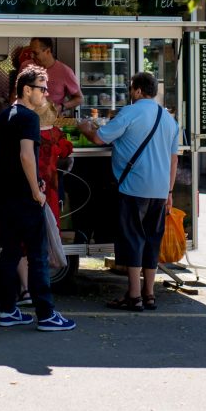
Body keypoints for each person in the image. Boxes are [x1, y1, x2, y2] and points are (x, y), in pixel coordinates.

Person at [77, 72, 178, 312]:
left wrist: (84, 128)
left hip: (134, 187)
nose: (130, 92)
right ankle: (149, 294)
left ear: (138, 91)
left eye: (131, 88)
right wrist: (170, 191)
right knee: (152, 240)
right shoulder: (168, 118)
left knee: (132, 239)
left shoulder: (131, 112)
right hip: (160, 190)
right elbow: (174, 159)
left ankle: (134, 296)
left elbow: (100, 139)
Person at [0, 64, 76, 331]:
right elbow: (27, 155)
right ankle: (47, 314)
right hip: (24, 197)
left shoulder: (3, 116)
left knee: (10, 253)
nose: (46, 94)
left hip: (3, 196)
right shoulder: (29, 118)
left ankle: (8, 310)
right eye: (42, 88)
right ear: (27, 90)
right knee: (37, 255)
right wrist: (36, 192)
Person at [29, 36, 82, 116]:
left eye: (36, 53)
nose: (32, 56)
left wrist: (61, 107)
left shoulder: (65, 71)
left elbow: (79, 99)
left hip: (52, 119)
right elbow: (15, 93)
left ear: (48, 51)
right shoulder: (26, 67)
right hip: (28, 118)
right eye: (31, 53)